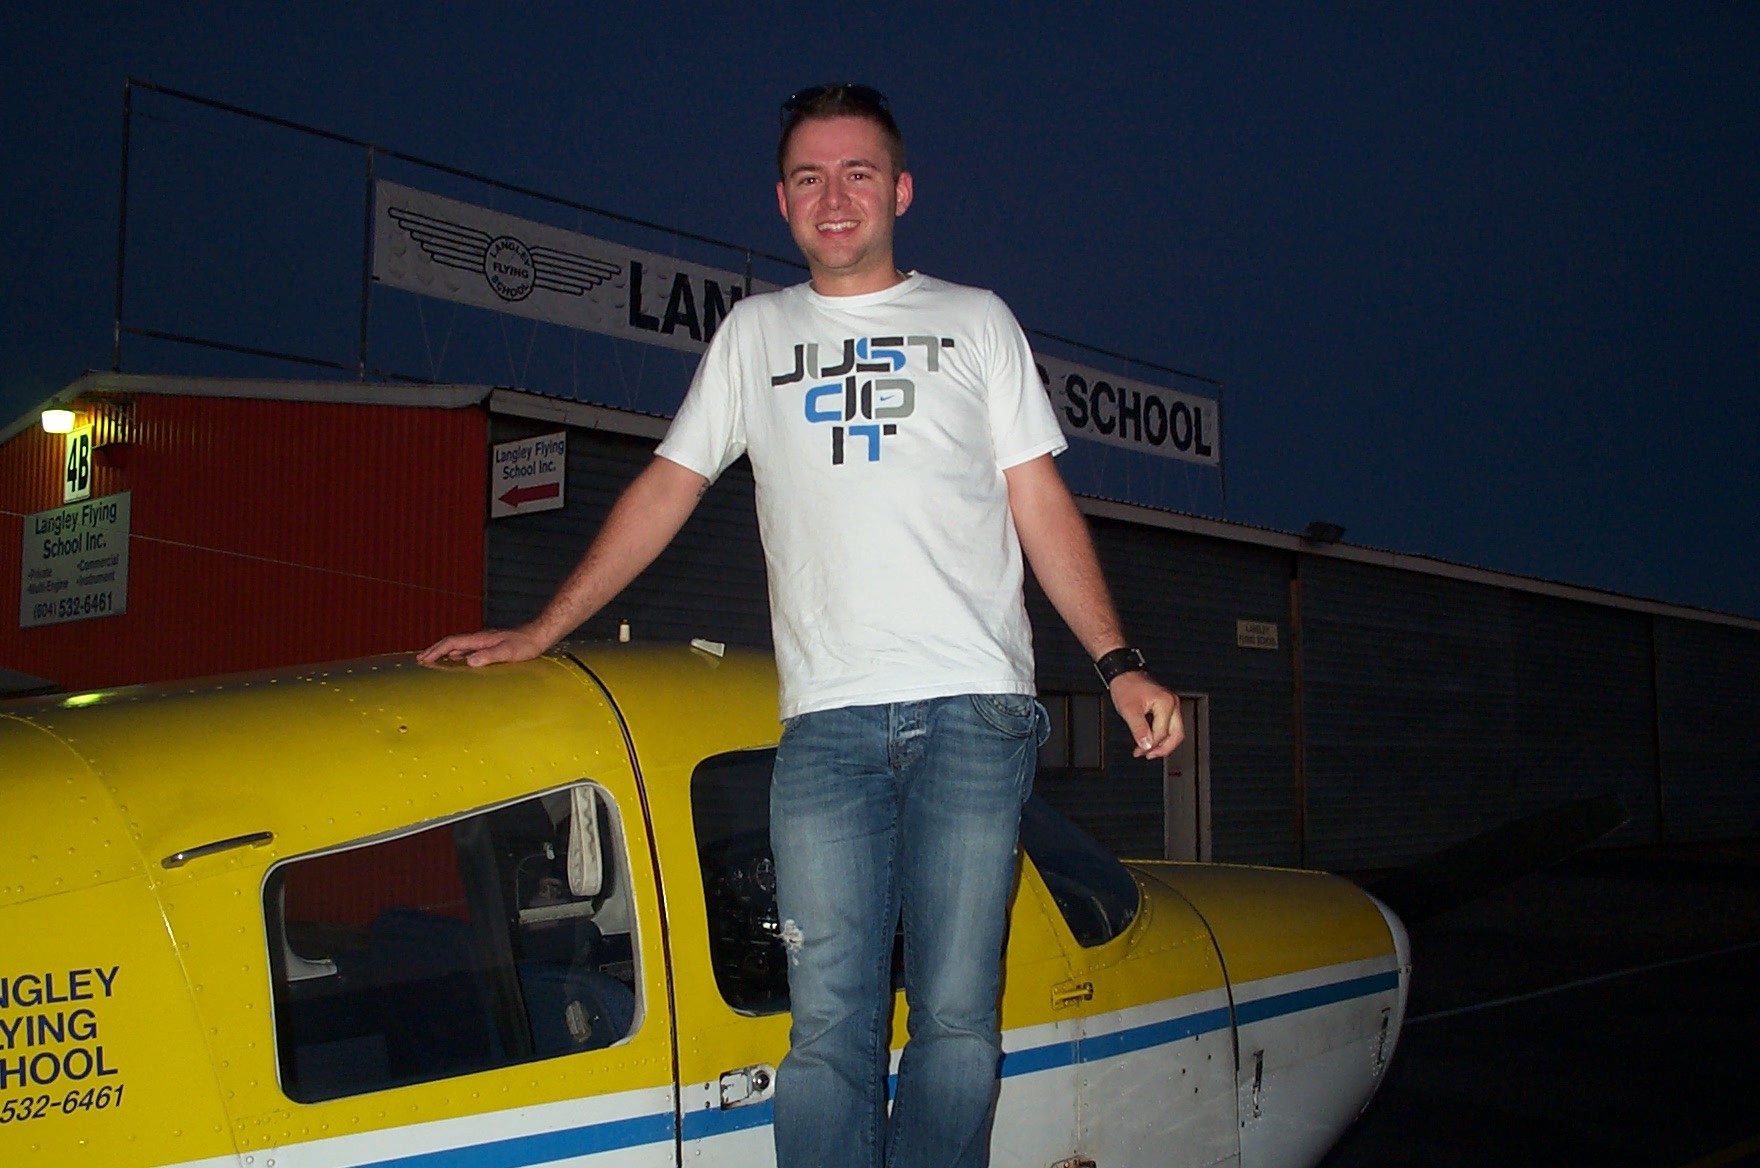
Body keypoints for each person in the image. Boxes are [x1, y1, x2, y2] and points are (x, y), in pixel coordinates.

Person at [419, 82, 1183, 1168]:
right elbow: (666, 487)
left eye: (858, 172)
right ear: (781, 201)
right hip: (824, 725)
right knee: (828, 1026)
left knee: (957, 1016)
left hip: (972, 707)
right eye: (810, 177)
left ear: (900, 190)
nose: (835, 197)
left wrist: (1117, 663)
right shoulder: (753, 335)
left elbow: (1038, 500)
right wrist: (542, 629)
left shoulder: (974, 322)